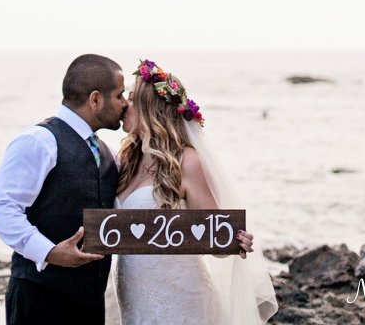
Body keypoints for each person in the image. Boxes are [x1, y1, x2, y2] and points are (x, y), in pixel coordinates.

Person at [114, 58, 279, 325]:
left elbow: (214, 237)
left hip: (180, 299)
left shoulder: (185, 161)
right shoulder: (127, 160)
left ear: (149, 108)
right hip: (135, 298)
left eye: (131, 99)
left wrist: (235, 240)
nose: (124, 105)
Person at [0, 53, 127, 325]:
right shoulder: (38, 141)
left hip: (90, 304)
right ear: (95, 100)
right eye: (119, 95)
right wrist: (49, 252)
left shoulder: (108, 153)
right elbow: (1, 209)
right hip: (40, 300)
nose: (125, 103)